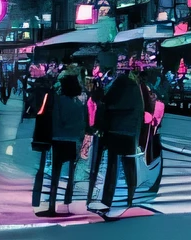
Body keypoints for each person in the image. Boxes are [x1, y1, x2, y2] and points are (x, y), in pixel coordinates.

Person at [90, 69, 145, 219]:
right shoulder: (135, 93)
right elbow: (140, 114)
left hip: (114, 132)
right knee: (129, 166)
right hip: (129, 133)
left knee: (112, 169)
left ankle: (106, 201)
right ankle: (131, 198)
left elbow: (106, 103)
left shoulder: (117, 88)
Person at [40, 75, 88, 216]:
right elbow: (83, 124)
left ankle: (52, 204)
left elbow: (55, 119)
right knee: (71, 174)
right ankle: (67, 204)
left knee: (55, 172)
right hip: (74, 140)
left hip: (59, 138)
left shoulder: (59, 102)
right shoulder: (79, 104)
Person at [29, 74, 56, 215]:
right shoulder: (50, 94)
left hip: (38, 129)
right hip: (46, 128)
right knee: (43, 164)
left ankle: (36, 199)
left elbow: (35, 110)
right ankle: (39, 200)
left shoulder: (35, 93)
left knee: (38, 165)